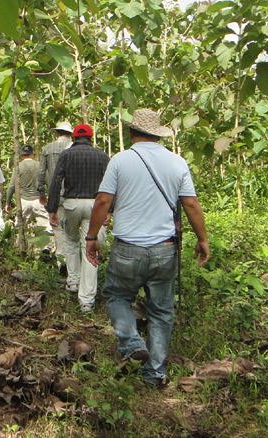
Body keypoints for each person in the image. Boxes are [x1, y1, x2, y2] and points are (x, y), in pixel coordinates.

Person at [84, 108, 210, 388]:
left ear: (131, 132)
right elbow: (190, 204)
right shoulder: (177, 162)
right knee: (162, 311)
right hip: (165, 249)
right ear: (158, 134)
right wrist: (203, 239)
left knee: (117, 296)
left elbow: (103, 200)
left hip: (128, 247)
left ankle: (131, 343)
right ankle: (155, 373)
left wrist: (92, 237)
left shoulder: (120, 161)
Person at [46, 124, 109, 313]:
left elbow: (56, 181)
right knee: (90, 250)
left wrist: (52, 209)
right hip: (95, 206)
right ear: (91, 138)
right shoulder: (102, 156)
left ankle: (73, 282)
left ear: (73, 138)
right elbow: (111, 184)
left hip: (72, 205)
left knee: (71, 242)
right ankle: (86, 301)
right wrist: (109, 210)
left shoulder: (66, 155)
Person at [39, 122, 73, 260]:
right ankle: (73, 260)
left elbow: (41, 173)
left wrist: (41, 192)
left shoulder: (47, 148)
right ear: (70, 134)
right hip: (73, 194)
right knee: (73, 229)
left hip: (55, 195)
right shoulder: (74, 148)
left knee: (57, 228)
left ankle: (61, 258)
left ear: (57, 133)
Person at [6, 145, 53, 239]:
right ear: (33, 154)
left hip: (23, 201)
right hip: (39, 200)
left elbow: (11, 187)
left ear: (21, 155)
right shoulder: (40, 165)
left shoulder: (18, 167)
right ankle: (46, 248)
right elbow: (49, 184)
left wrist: (8, 202)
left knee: (20, 227)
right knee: (45, 225)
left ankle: (19, 248)